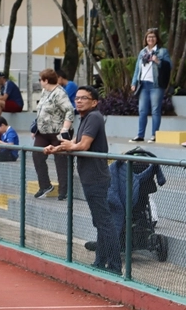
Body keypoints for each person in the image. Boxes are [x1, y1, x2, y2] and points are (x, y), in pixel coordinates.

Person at [44, 86, 121, 274]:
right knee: (100, 221)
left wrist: (70, 146)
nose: (78, 101)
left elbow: (83, 146)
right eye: (76, 98)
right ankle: (101, 261)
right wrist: (57, 149)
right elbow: (75, 144)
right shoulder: (86, 118)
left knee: (104, 222)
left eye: (83, 98)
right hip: (90, 177)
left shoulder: (94, 117)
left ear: (94, 102)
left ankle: (114, 265)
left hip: (96, 177)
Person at [32, 68, 74, 200]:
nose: (39, 82)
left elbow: (69, 111)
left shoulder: (59, 93)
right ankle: (45, 185)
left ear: (46, 80)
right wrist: (36, 128)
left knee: (60, 160)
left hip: (57, 132)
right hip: (43, 132)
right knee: (37, 155)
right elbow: (41, 111)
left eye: (40, 80)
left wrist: (65, 129)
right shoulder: (45, 92)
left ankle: (64, 190)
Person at [130, 29, 172, 143]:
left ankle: (154, 135)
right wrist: (134, 82)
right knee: (142, 110)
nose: (151, 39)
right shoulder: (142, 52)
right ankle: (140, 135)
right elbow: (137, 69)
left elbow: (169, 66)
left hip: (156, 85)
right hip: (143, 84)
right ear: (146, 39)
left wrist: (158, 61)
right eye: (149, 37)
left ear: (157, 39)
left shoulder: (162, 51)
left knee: (155, 110)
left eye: (153, 37)